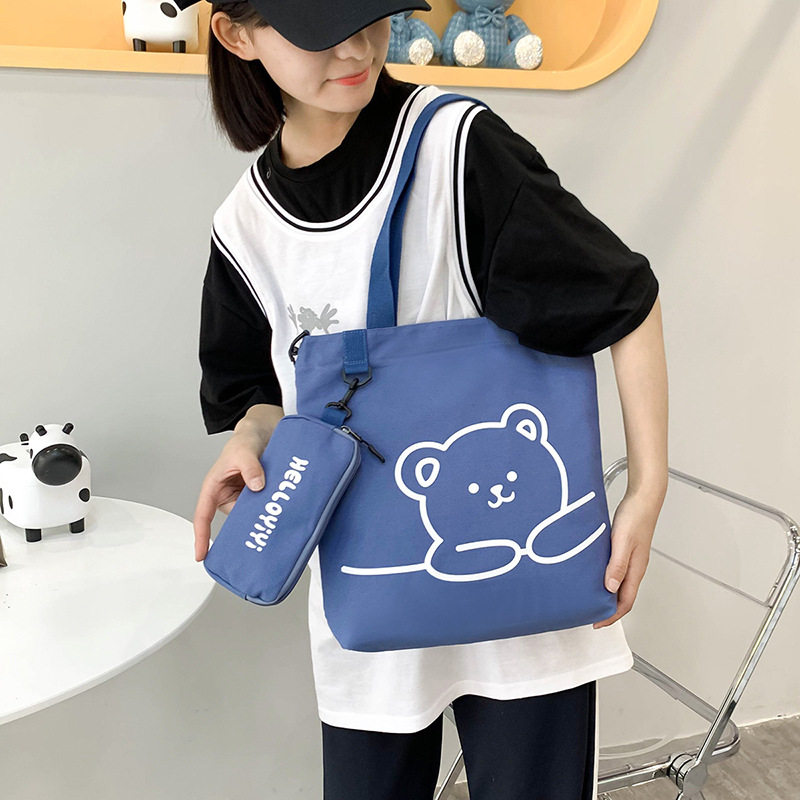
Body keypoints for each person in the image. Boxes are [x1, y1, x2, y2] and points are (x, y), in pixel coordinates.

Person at [188, 1, 669, 798]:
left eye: (370, 13)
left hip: (526, 597)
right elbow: (259, 394)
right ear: (236, 35)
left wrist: (648, 488)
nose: (355, 47)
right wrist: (249, 437)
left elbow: (625, 297)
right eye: (317, 29)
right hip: (370, 594)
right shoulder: (245, 228)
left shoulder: (455, 147)